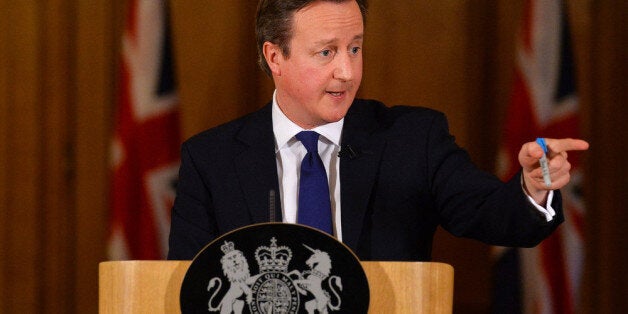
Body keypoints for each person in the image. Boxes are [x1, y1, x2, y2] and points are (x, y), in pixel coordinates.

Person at [167, 0, 589, 261]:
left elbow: (497, 216)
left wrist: (533, 188)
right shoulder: (211, 160)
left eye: (355, 47)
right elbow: (190, 286)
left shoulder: (412, 139)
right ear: (275, 56)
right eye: (326, 52)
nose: (347, 71)